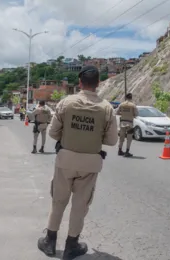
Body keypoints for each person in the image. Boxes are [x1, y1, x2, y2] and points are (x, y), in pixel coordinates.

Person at [37, 65, 118, 260]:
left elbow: (53, 133)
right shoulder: (106, 108)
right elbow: (111, 140)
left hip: (65, 161)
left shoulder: (66, 103)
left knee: (58, 201)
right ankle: (71, 246)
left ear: (80, 82)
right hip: (90, 164)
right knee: (80, 205)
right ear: (98, 84)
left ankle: (50, 241)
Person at [116, 93, 138, 157]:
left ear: (125, 98)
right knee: (129, 138)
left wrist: (123, 114)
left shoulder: (121, 104)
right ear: (131, 98)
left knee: (121, 137)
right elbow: (136, 114)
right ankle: (127, 152)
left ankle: (119, 150)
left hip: (122, 123)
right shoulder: (133, 105)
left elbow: (117, 112)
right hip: (130, 124)